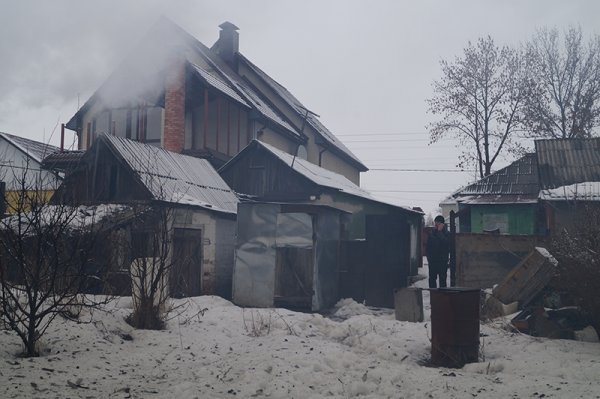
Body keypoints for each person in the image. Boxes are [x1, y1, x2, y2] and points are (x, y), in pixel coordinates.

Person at [426, 215, 449, 288]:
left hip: (442, 261)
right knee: (432, 279)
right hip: (433, 261)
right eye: (435, 223)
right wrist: (429, 258)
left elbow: (446, 244)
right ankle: (433, 297)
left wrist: (439, 232)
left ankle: (443, 297)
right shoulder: (432, 233)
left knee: (442, 280)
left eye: (437, 223)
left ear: (442, 224)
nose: (435, 224)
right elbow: (428, 247)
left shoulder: (447, 233)